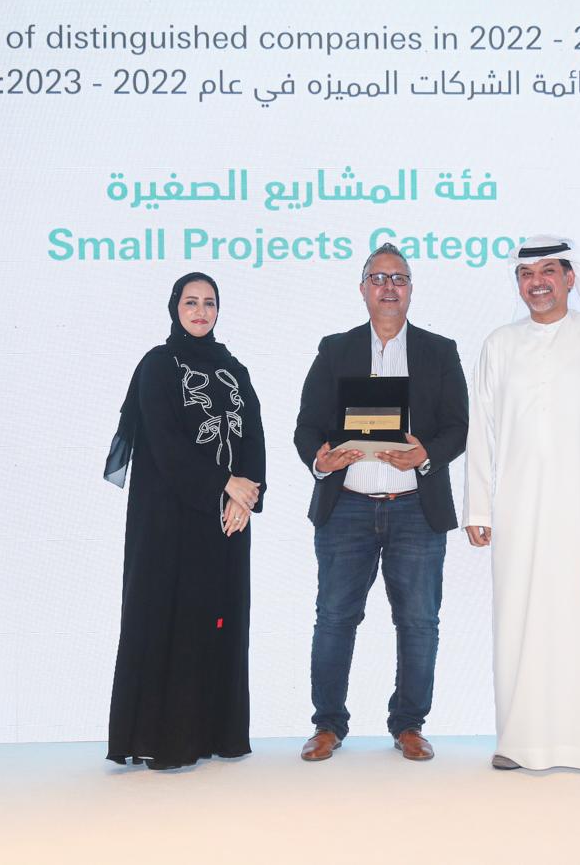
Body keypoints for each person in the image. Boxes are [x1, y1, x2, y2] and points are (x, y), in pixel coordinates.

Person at [463, 235, 580, 775]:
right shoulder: (499, 345)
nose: (537, 282)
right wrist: (478, 509)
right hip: (518, 512)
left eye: (548, 271)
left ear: (570, 278)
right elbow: (481, 433)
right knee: (519, 620)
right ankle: (519, 741)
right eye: (526, 274)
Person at [293, 243, 469, 762]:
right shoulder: (335, 349)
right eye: (379, 278)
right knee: (334, 618)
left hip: (416, 509)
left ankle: (409, 725)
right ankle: (327, 726)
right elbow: (306, 426)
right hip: (346, 507)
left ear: (411, 289)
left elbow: (458, 427)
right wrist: (321, 460)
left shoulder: (440, 351)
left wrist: (425, 454)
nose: (389, 287)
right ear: (363, 288)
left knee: (419, 622)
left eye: (399, 278)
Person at [103, 272, 266, 770]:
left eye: (209, 303)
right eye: (191, 302)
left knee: (219, 620)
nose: (201, 312)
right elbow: (165, 443)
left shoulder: (233, 368)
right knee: (171, 620)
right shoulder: (158, 365)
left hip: (225, 523)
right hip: (169, 521)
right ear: (175, 307)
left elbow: (253, 436)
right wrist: (225, 484)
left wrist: (247, 495)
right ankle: (165, 740)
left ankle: (215, 733)